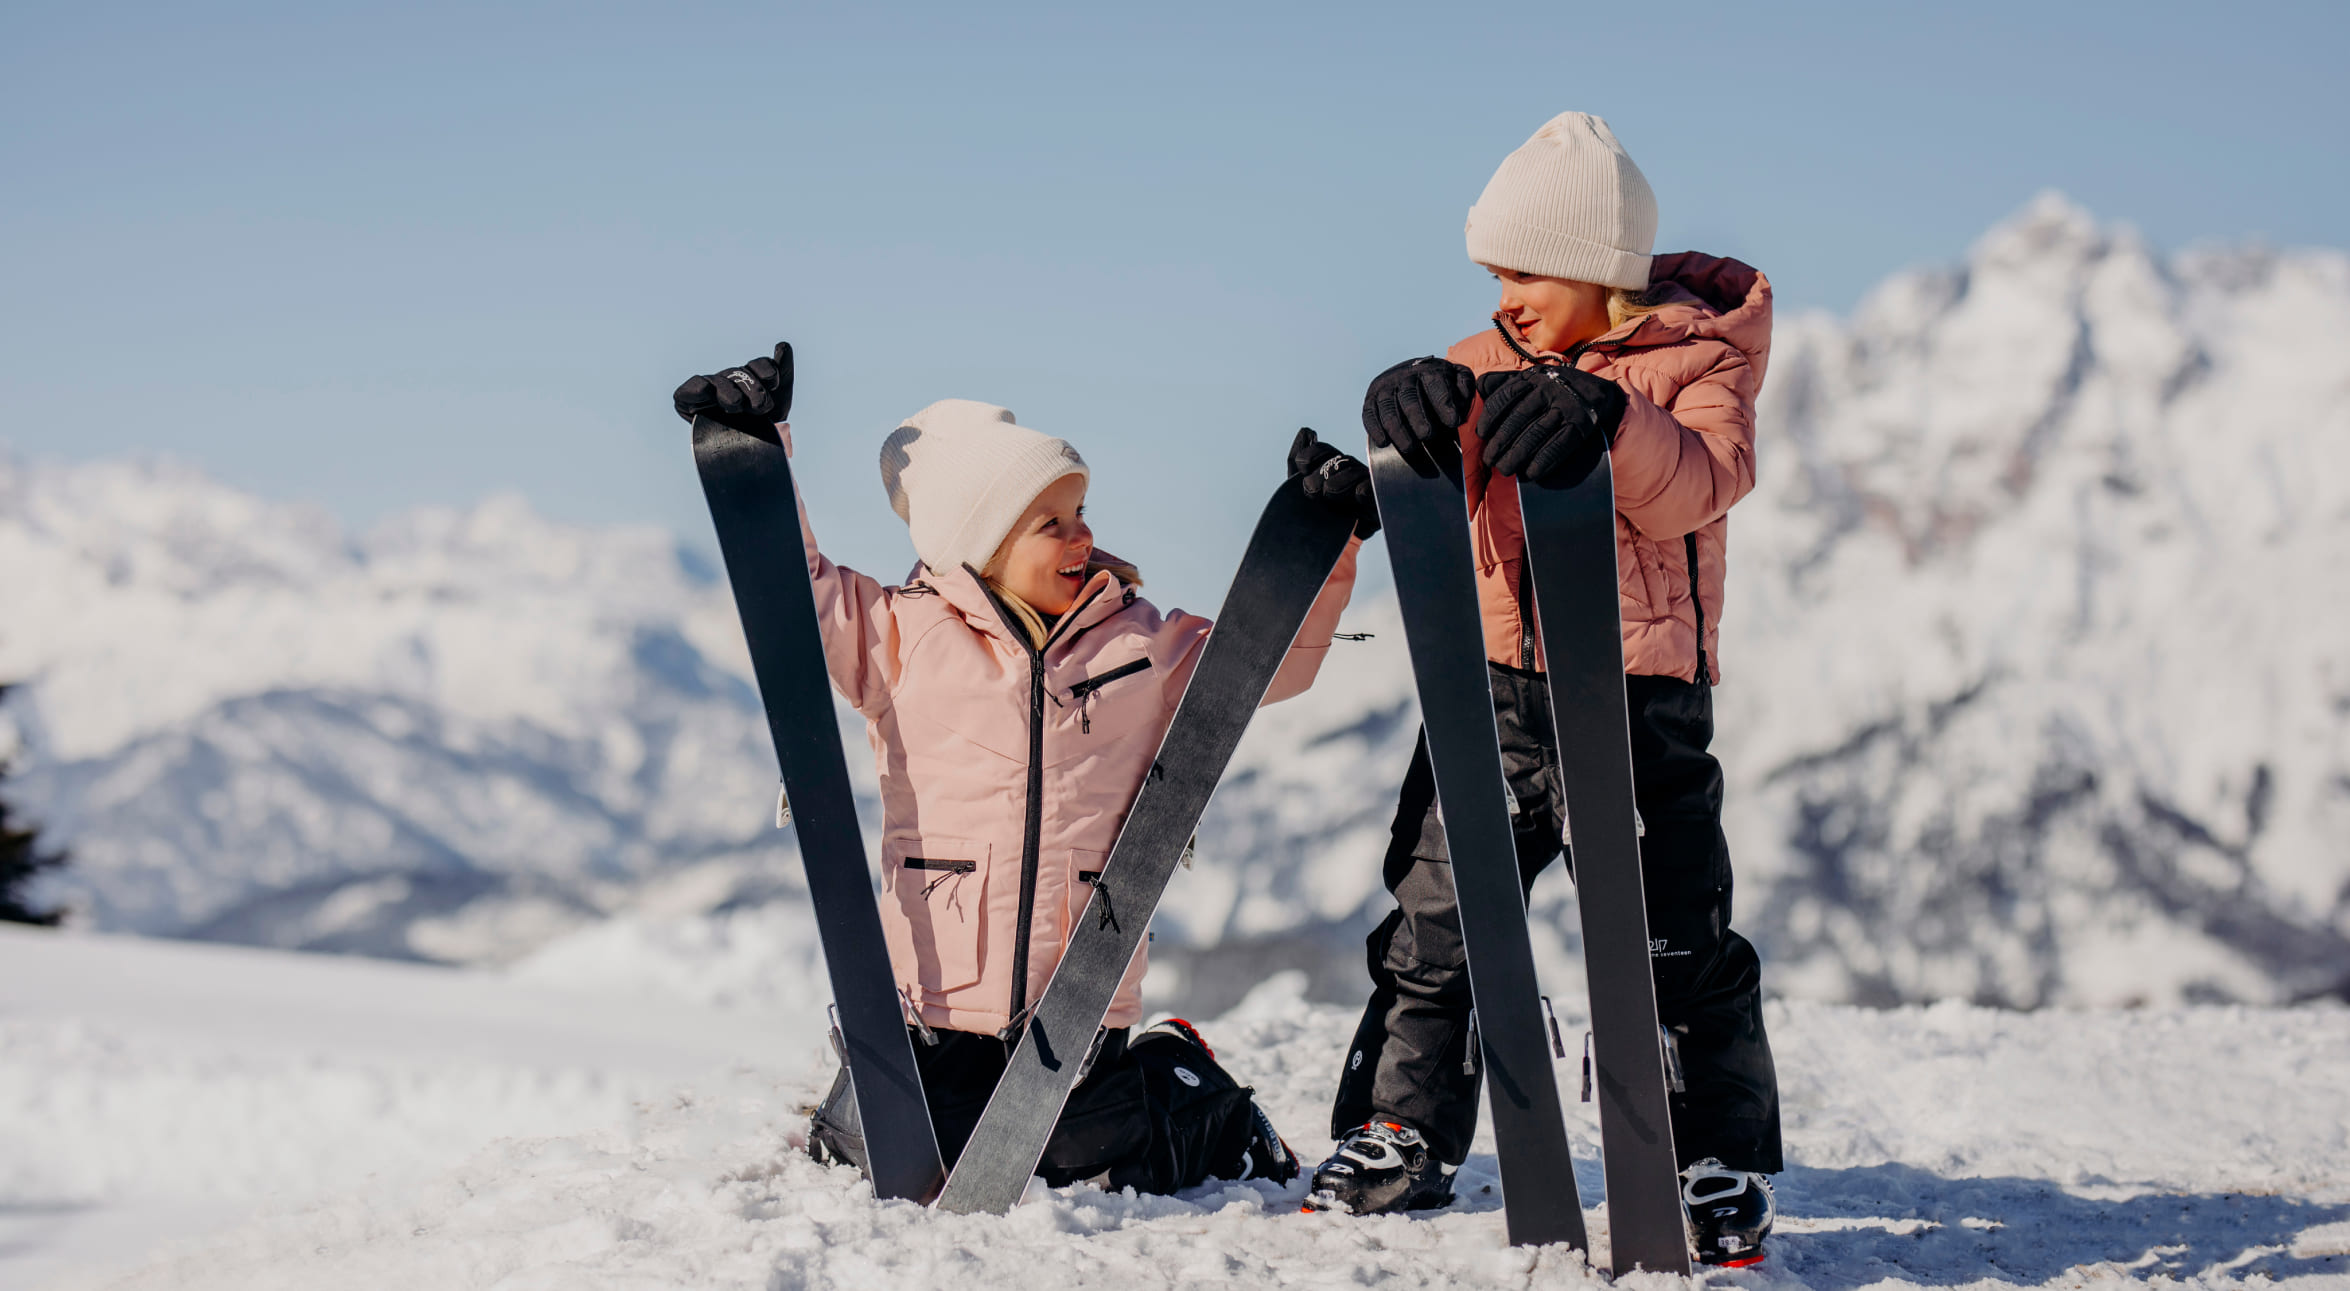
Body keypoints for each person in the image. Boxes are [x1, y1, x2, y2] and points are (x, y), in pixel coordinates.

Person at [673, 346, 1380, 1195]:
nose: (1084, 535)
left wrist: (1325, 542)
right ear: (982, 541)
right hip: (935, 1009)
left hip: (1077, 1006)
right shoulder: (899, 637)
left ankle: (1194, 1091)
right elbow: (796, 586)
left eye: (1082, 511)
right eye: (1053, 523)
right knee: (886, 1150)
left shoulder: (1140, 644)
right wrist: (756, 445)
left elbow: (1267, 666)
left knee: (1092, 1161)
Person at [1306, 112, 1783, 1266]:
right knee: (1437, 925)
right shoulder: (1486, 364)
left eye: (1524, 271)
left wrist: (1610, 420)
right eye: (1492, 274)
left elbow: (1703, 483)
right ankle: (1399, 1130)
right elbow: (1431, 479)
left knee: (1672, 939)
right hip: (1489, 700)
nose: (1504, 297)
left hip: (1638, 707)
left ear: (1599, 267)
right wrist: (1398, 423)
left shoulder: (1697, 361)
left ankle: (1707, 1158)